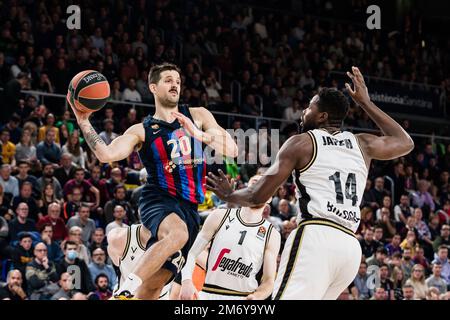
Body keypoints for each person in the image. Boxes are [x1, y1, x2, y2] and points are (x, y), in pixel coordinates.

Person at [206, 67, 414, 299]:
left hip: (317, 236)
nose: (304, 111)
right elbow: (404, 142)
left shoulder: (302, 143)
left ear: (322, 116)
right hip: (349, 248)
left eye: (310, 107)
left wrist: (229, 195)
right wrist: (365, 103)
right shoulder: (362, 144)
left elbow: (257, 196)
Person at [67, 62, 237, 299]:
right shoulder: (142, 130)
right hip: (158, 198)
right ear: (153, 88)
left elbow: (233, 149)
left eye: (177, 81)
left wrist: (199, 134)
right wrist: (84, 121)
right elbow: (106, 155)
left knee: (153, 288)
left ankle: (135, 291)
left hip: (190, 209)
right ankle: (125, 288)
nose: (174, 85)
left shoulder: (198, 115)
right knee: (178, 234)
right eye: (168, 80)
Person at [180, 175, 281, 300]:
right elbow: (191, 253)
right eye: (255, 182)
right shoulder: (219, 216)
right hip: (208, 293)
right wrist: (186, 281)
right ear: (245, 189)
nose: (259, 186)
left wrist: (257, 296)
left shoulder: (272, 234)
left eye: (265, 184)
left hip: (242, 297)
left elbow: (268, 281)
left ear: (270, 197)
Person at [107, 224, 172, 300]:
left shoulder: (178, 238)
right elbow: (116, 262)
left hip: (160, 296)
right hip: (125, 296)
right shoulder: (119, 237)